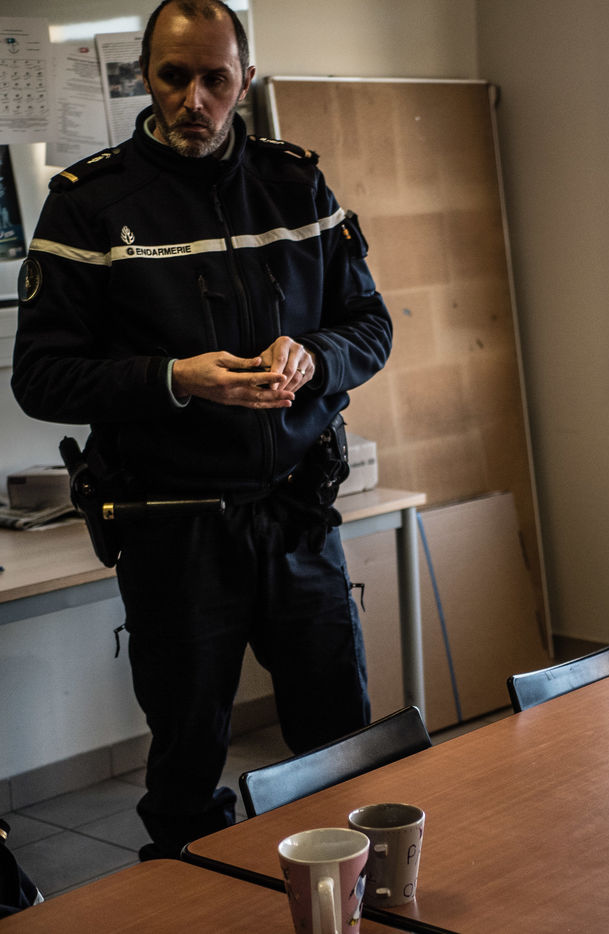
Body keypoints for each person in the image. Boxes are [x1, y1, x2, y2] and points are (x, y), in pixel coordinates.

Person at [11, 0, 392, 859]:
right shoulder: (88, 203)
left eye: (215, 79)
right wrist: (173, 378)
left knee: (343, 744)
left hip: (296, 514)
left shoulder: (295, 183)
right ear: (145, 78)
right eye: (174, 76)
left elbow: (371, 326)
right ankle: (187, 898)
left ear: (243, 80)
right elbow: (39, 377)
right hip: (172, 525)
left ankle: (354, 897)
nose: (195, 100)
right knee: (186, 764)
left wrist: (315, 358)